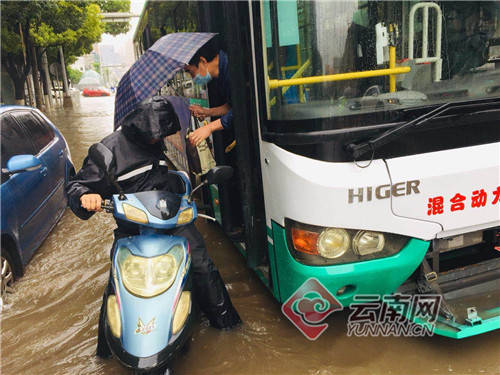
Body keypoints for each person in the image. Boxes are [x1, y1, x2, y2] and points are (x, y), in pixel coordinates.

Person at [65, 96, 241, 358]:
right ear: (140, 128)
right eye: (155, 136)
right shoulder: (106, 152)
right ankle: (107, 352)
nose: (159, 141)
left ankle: (228, 326)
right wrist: (83, 196)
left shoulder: (155, 141)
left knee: (203, 265)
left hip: (170, 223)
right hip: (133, 230)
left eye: (162, 135)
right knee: (117, 283)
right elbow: (77, 185)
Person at [184, 37, 233, 147]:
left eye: (192, 72)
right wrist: (206, 112)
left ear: (202, 61)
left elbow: (240, 109)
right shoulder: (219, 77)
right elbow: (230, 106)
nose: (193, 78)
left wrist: (209, 128)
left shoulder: (232, 67)